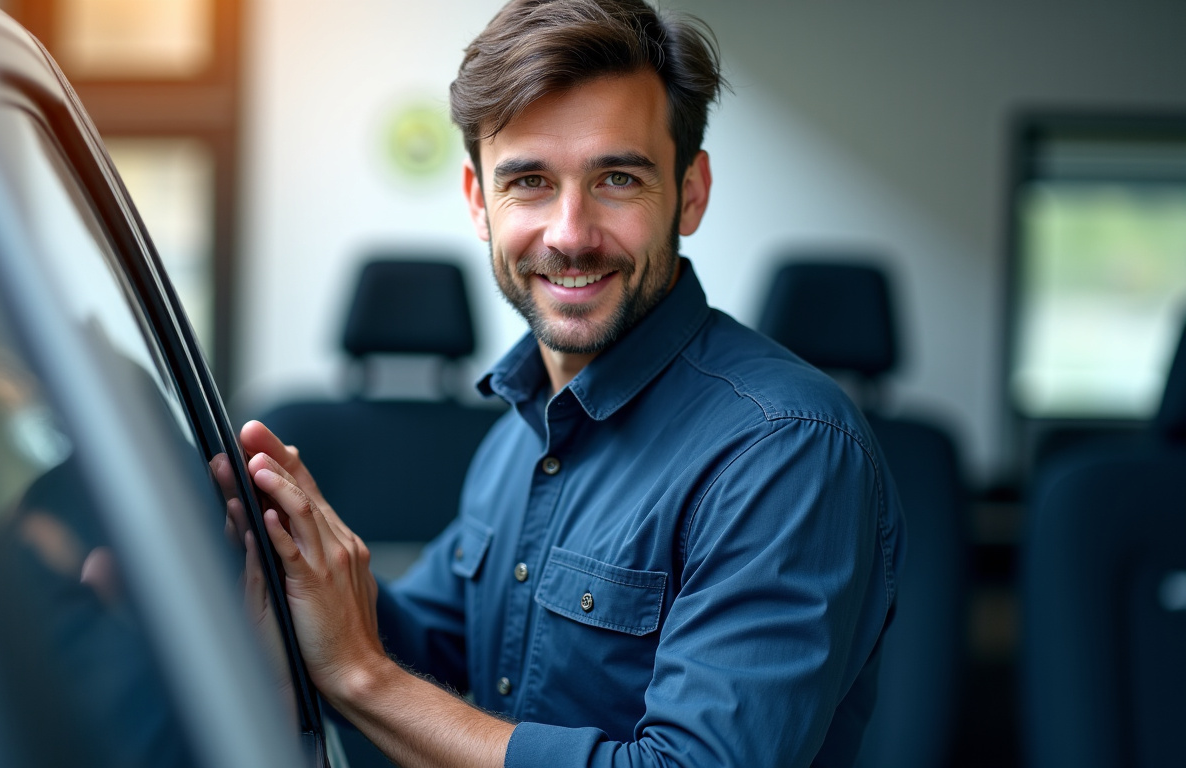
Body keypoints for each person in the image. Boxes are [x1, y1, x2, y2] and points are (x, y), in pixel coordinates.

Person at [241, 0, 905, 765]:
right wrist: (287, 552)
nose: (570, 234)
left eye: (617, 178)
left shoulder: (786, 451)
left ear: (690, 192)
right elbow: (435, 647)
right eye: (528, 181)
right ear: (477, 201)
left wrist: (363, 679)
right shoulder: (515, 438)